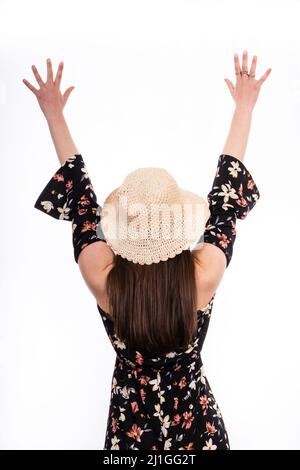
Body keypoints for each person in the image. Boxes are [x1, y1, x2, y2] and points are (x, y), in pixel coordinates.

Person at [23, 51, 271, 450]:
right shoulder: (203, 276)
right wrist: (245, 106)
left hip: (129, 433)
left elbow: (82, 203)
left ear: (122, 229)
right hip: (198, 429)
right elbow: (225, 200)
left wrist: (53, 113)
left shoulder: (103, 279)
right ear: (179, 226)